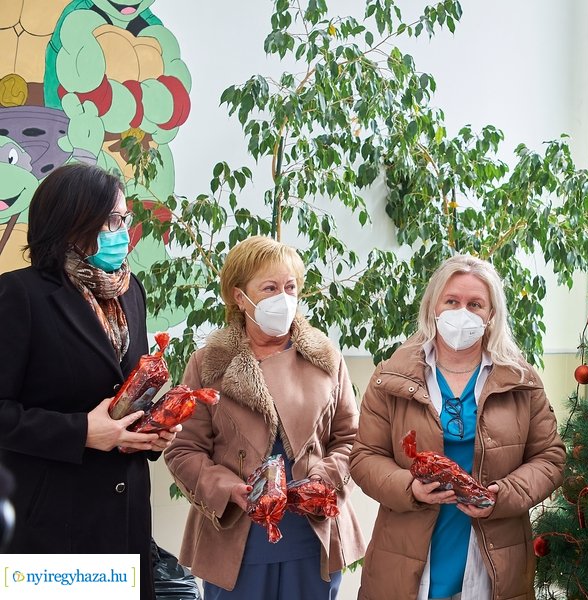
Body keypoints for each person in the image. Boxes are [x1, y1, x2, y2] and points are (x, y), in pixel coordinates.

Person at [0, 163, 180, 600]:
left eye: (124, 219)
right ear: (72, 221)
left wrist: (151, 430)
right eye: (112, 220)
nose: (123, 231)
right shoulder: (20, 295)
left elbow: (126, 389)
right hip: (52, 523)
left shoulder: (129, 291)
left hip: (125, 517)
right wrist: (81, 432)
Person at [350, 254, 566, 600]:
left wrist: (502, 495)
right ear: (433, 306)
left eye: (475, 304)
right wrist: (410, 488)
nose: (462, 312)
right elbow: (364, 457)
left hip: (495, 556)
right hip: (405, 555)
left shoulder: (521, 381)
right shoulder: (391, 378)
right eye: (452, 301)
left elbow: (549, 458)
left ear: (491, 315)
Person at [164, 235, 365, 599]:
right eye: (270, 288)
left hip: (312, 533)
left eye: (291, 287)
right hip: (236, 538)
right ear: (240, 297)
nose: (283, 298)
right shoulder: (208, 364)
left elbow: (352, 439)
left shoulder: (325, 358)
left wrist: (324, 480)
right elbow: (183, 449)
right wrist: (228, 489)